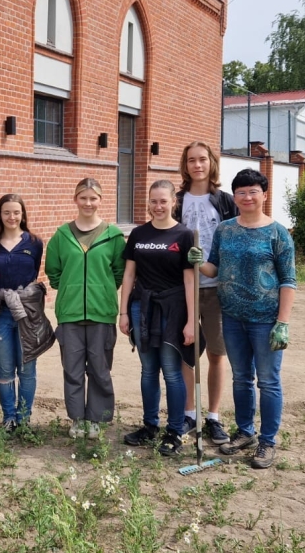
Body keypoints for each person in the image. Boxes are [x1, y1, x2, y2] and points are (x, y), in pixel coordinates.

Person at [189, 168, 296, 469]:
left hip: (265, 321)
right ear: (234, 196)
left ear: (264, 194)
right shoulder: (225, 230)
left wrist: (283, 322)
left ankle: (267, 441)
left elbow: (288, 281)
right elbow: (214, 268)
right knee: (241, 378)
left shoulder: (278, 234)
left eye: (253, 191)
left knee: (269, 382)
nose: (247, 197)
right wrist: (198, 262)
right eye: (241, 192)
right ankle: (246, 432)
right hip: (232, 317)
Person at [118, 180, 197, 456]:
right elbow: (129, 274)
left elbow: (190, 282)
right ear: (148, 202)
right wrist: (124, 310)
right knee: (148, 370)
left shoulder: (185, 236)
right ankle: (149, 426)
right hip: (143, 308)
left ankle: (175, 431)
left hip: (173, 311)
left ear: (173, 202)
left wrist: (191, 320)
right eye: (153, 201)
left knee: (172, 372)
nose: (158, 206)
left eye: (163, 201)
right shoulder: (138, 234)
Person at [45, 178, 126, 439]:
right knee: (73, 369)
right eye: (83, 197)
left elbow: (119, 272)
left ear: (100, 200)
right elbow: (54, 272)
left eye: (93, 198)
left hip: (102, 313)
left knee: (100, 369)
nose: (88, 203)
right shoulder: (61, 235)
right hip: (69, 313)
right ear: (75, 199)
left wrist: (99, 291)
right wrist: (72, 290)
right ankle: (78, 418)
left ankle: (96, 419)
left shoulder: (113, 236)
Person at [175, 141, 238, 447]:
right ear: (185, 166)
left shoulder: (225, 201)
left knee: (216, 353)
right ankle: (189, 413)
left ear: (211, 163)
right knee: (187, 353)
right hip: (182, 289)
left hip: (216, 291)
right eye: (191, 161)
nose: (197, 165)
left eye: (202, 160)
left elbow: (235, 241)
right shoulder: (176, 202)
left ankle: (213, 416)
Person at [0, 194, 51, 432]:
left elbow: (33, 275)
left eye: (16, 212)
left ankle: (24, 418)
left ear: (23, 215)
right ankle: (9, 417)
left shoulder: (34, 243)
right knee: (4, 368)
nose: (12, 217)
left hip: (26, 314)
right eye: (6, 212)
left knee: (27, 368)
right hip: (0, 313)